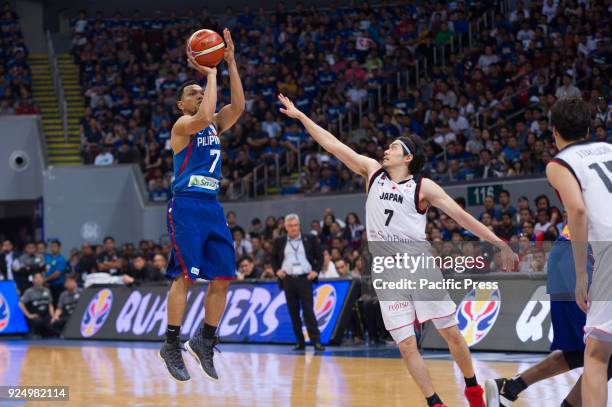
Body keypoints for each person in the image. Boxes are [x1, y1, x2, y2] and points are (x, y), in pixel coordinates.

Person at [277, 93, 516, 407]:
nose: (386, 150)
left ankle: (472, 390)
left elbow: (462, 216)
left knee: (452, 335)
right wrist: (302, 117)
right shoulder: (372, 172)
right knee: (405, 346)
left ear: (408, 158)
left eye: (393, 147)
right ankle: (435, 403)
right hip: (387, 272)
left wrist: (499, 243)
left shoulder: (423, 186)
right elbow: (333, 145)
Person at [159, 28, 245, 383]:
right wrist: (209, 73)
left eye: (201, 91)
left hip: (211, 206)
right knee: (184, 276)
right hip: (186, 205)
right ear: (182, 105)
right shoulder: (183, 125)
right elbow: (208, 111)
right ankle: (170, 342)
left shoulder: (212, 125)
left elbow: (237, 106)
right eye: (192, 93)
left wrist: (230, 61)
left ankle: (204, 339)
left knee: (223, 277)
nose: (199, 95)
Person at [485, 223, 612, 407]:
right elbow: (578, 211)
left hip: (569, 253)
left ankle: (510, 387)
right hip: (580, 257)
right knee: (601, 349)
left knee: (583, 351)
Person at [545, 97, 612, 407]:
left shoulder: (559, 163)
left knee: (596, 355)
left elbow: (578, 211)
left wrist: (582, 275)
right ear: (588, 127)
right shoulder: (609, 149)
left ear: (553, 130)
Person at [272, 213, 325, 351]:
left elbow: (320, 256)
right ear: (285, 227)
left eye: (295, 225)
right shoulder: (280, 241)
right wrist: (277, 270)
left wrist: (316, 271)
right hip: (288, 280)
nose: (293, 228)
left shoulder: (310, 239)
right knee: (293, 312)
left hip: (305, 279)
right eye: (290, 226)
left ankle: (316, 342)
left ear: (299, 225)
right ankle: (300, 342)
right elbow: (272, 258)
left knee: (308, 312)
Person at [18, 271, 54, 338]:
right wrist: (29, 315)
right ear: (33, 280)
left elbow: (50, 304)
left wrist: (53, 315)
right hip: (35, 315)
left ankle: (46, 334)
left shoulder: (47, 291)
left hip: (45, 315)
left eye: (40, 278)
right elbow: (20, 304)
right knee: (38, 321)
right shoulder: (29, 292)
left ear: (43, 279)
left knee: (52, 323)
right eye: (36, 278)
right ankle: (33, 333)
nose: (39, 280)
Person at [44, 239, 67, 306]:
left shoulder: (61, 259)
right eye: (52, 247)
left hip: (57, 287)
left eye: (55, 247)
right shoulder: (47, 258)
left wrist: (45, 280)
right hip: (47, 286)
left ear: (59, 248)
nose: (53, 248)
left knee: (56, 303)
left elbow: (57, 274)